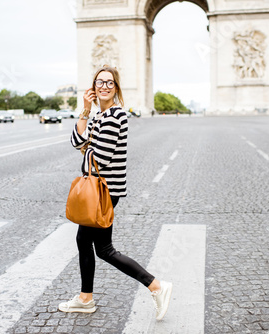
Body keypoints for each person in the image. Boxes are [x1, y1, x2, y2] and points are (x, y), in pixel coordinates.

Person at [59, 65, 173, 321]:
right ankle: (87, 298)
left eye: (110, 83)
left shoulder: (115, 116)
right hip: (100, 188)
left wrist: (87, 148)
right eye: (100, 82)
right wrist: (86, 112)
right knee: (96, 246)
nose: (104, 87)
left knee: (103, 248)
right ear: (93, 87)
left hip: (104, 190)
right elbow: (76, 142)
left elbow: (101, 156)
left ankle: (155, 286)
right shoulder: (99, 115)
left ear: (116, 88)